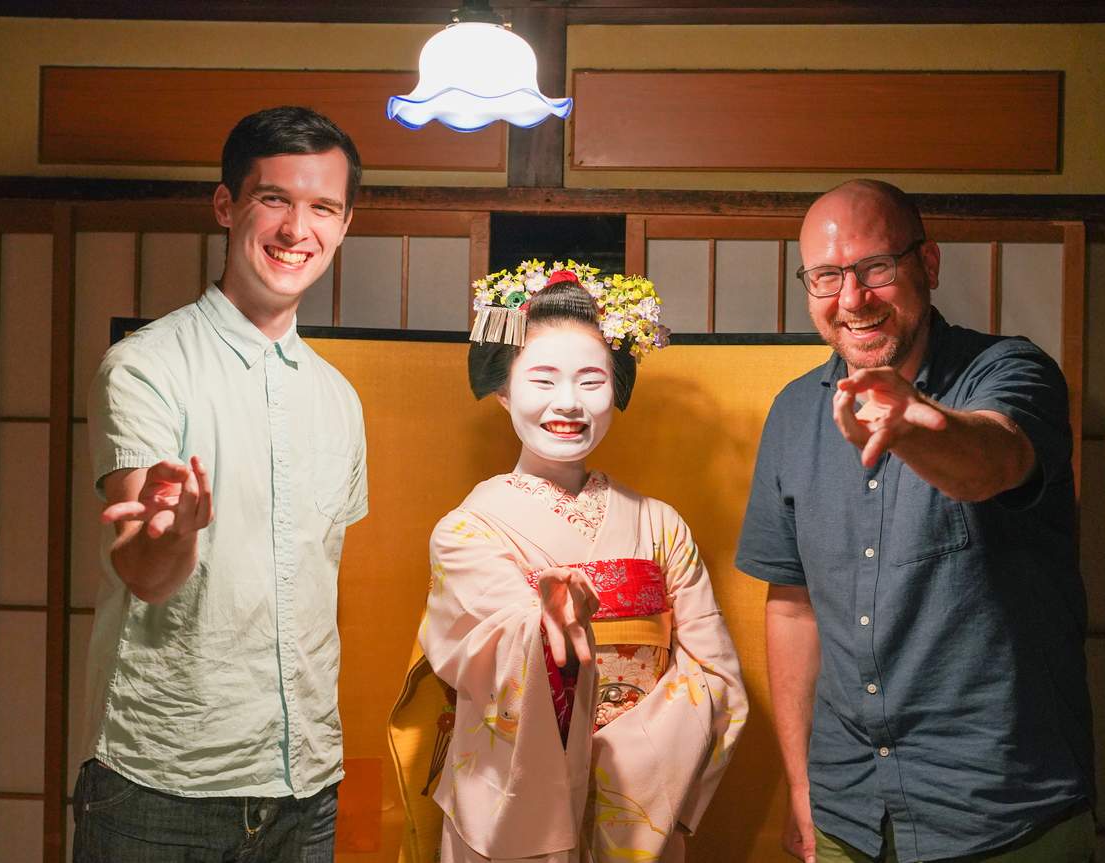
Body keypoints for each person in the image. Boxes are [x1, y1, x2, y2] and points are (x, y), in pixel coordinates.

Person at [736, 179, 1095, 863]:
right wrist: (803, 786)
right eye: (825, 277)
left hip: (1001, 805)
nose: (852, 299)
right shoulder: (790, 414)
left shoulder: (1008, 371)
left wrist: (916, 425)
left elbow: (992, 458)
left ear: (925, 265)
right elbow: (791, 608)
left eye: (875, 268)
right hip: (849, 806)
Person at [74, 106, 366, 862]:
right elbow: (143, 570)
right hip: (162, 781)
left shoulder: (339, 398)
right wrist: (174, 536)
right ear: (226, 205)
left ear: (343, 223)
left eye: (322, 207)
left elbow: (316, 589)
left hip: (306, 785)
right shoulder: (146, 366)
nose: (296, 228)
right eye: (274, 198)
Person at [389, 261, 747, 863]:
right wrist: (542, 632)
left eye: (590, 380)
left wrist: (627, 756)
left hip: (642, 803)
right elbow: (484, 655)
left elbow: (717, 679)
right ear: (503, 390)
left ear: (618, 389)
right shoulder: (467, 529)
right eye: (543, 379)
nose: (568, 403)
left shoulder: (663, 525)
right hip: (512, 801)